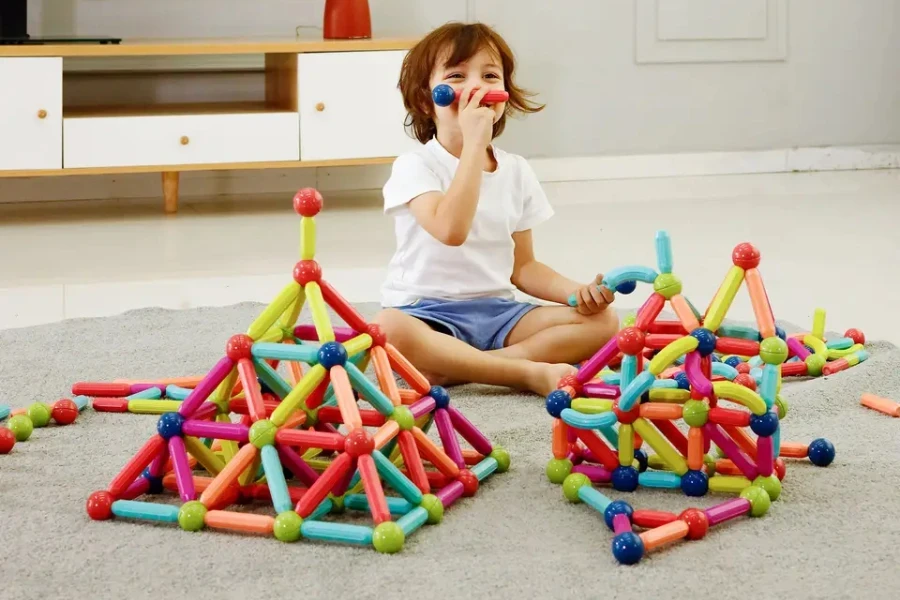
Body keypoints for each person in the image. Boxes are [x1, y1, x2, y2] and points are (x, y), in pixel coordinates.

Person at [375, 22, 618, 397]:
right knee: (388, 328)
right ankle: (522, 373)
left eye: (489, 75)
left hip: (498, 314)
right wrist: (474, 146)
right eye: (457, 75)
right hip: (425, 314)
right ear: (427, 100)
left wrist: (578, 292)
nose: (477, 88)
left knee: (604, 323)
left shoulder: (516, 169)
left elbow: (524, 268)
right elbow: (450, 230)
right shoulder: (414, 166)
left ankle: (476, 364)